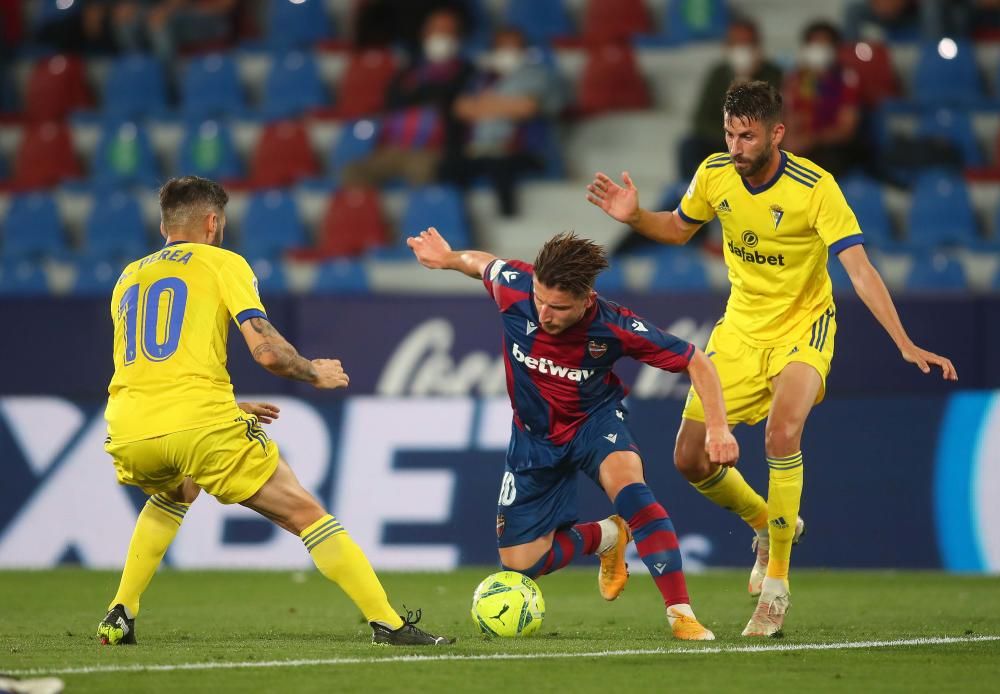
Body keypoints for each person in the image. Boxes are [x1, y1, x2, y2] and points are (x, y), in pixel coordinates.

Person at [586, 80, 957, 637]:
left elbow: (858, 268)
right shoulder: (714, 173)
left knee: (781, 436)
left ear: (776, 133)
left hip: (805, 328)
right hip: (739, 330)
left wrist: (902, 341)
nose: (736, 145)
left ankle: (776, 589)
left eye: (748, 135)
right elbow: (680, 229)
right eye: (730, 133)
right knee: (690, 460)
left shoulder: (815, 187)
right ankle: (766, 523)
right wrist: (636, 216)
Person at [97, 176, 453, 647]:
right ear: (212, 222)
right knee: (305, 512)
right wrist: (312, 372)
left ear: (165, 223)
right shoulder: (223, 262)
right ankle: (388, 622)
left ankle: (120, 612)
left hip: (129, 429)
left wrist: (228, 406)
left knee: (176, 492)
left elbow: (152, 367)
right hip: (198, 425)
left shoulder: (129, 276)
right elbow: (267, 352)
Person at [408, 228, 739, 641]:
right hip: (533, 439)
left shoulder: (614, 326)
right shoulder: (514, 287)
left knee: (633, 492)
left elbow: (696, 360)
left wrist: (718, 427)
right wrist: (448, 256)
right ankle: (607, 535)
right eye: (540, 300)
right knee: (522, 566)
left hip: (594, 423)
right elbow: (481, 263)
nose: (544, 314)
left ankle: (681, 613)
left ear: (586, 300)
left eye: (558, 307)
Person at [439, 26, 566, 217]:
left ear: (524, 49)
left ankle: (510, 220)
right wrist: (506, 106)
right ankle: (454, 221)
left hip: (522, 150)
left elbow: (527, 108)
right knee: (448, 167)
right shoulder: (482, 77)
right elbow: (461, 108)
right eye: (501, 47)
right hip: (479, 148)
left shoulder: (538, 75)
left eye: (512, 47)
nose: (506, 52)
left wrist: (483, 106)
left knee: (499, 165)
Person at [340, 8, 474, 187]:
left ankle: (421, 214)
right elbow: (394, 99)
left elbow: (451, 100)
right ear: (425, 34)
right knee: (353, 171)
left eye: (446, 31)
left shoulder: (466, 71)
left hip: (432, 151)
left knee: (422, 174)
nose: (440, 37)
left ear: (458, 37)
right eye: (435, 30)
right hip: (393, 148)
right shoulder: (410, 70)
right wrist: (427, 94)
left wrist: (419, 93)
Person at [680, 16, 782, 176]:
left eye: (747, 44)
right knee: (689, 145)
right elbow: (700, 119)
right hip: (720, 139)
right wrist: (730, 134)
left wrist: (748, 80)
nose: (741, 50)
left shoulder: (774, 74)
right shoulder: (718, 74)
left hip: (757, 140)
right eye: (736, 44)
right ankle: (693, 189)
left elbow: (774, 114)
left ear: (757, 47)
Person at [781, 21, 862, 177]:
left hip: (831, 147)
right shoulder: (796, 79)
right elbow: (788, 118)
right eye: (814, 44)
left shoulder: (846, 79)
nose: (818, 50)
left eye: (823, 45)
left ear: (835, 50)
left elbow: (846, 130)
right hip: (800, 145)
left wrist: (812, 139)